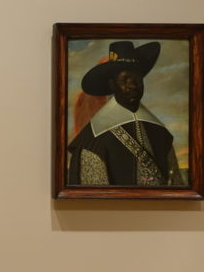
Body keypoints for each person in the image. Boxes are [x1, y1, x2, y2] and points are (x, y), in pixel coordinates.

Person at [68, 41, 184, 186]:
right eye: (125, 80)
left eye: (137, 79)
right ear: (112, 85)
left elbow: (176, 184)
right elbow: (95, 193)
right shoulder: (93, 139)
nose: (133, 85)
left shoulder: (160, 133)